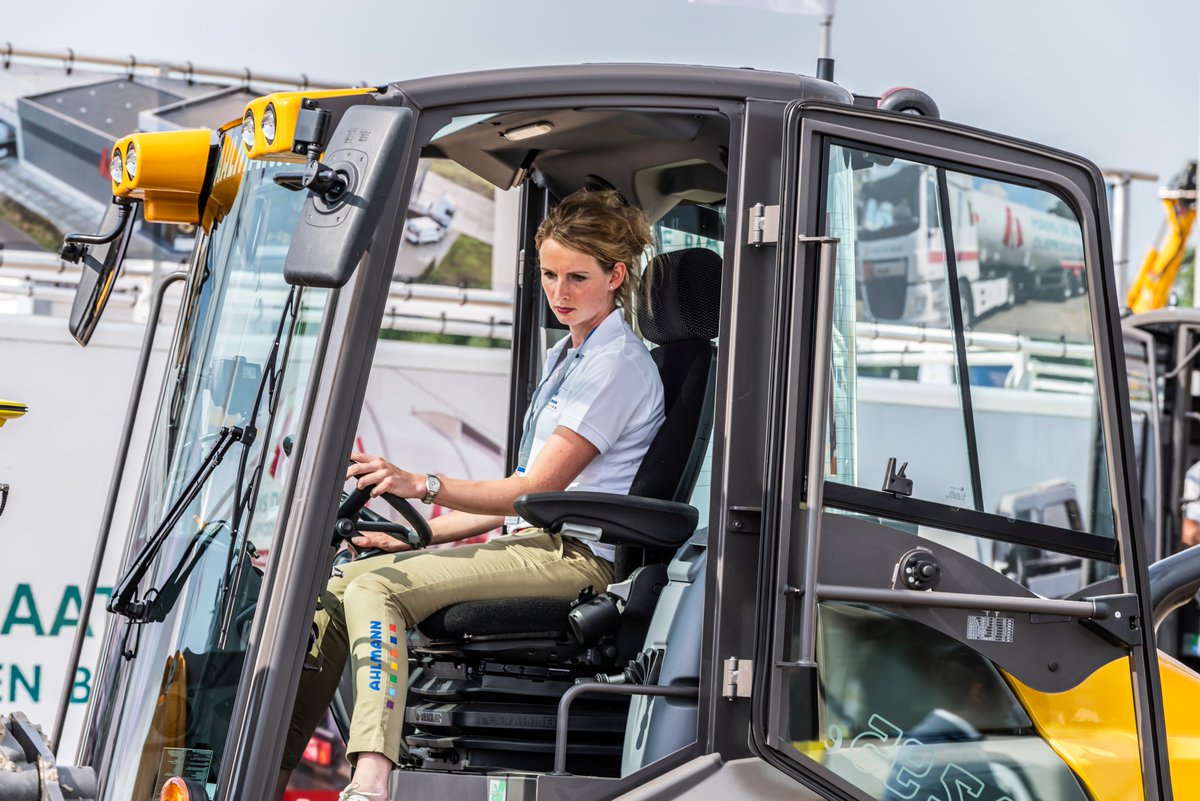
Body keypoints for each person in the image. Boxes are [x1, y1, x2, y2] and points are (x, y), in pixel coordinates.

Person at [278, 188, 665, 801]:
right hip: (536, 542)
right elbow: (524, 504)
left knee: (378, 587)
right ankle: (267, 772)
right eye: (548, 275)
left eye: (577, 278)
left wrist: (422, 483)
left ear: (617, 276)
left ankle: (372, 777)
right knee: (343, 581)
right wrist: (417, 532)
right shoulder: (573, 354)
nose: (559, 294)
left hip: (572, 559)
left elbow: (535, 491)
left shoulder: (616, 365)